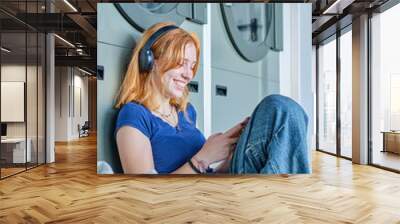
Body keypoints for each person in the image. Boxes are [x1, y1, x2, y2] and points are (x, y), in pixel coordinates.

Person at [114, 22, 310, 174]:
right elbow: (142, 192)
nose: (188, 75)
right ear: (150, 61)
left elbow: (205, 174)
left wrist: (228, 150)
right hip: (182, 203)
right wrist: (204, 157)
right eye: (181, 63)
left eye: (191, 66)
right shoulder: (134, 114)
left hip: (212, 187)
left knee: (279, 109)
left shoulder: (187, 112)